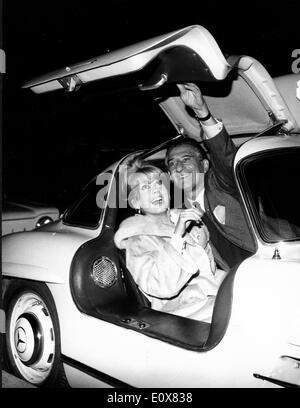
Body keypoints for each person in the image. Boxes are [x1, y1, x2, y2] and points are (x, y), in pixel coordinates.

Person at [114, 160, 226, 323]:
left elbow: (211, 270)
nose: (156, 191)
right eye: (146, 187)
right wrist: (178, 236)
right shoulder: (137, 240)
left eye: (159, 183)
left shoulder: (187, 221)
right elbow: (161, 287)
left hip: (215, 296)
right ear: (136, 202)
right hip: (185, 313)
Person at [165, 83, 256, 270]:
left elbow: (225, 157)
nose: (179, 168)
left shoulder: (223, 183)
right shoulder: (177, 215)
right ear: (170, 176)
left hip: (276, 259)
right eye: (172, 164)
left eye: (186, 159)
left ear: (205, 165)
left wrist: (202, 112)